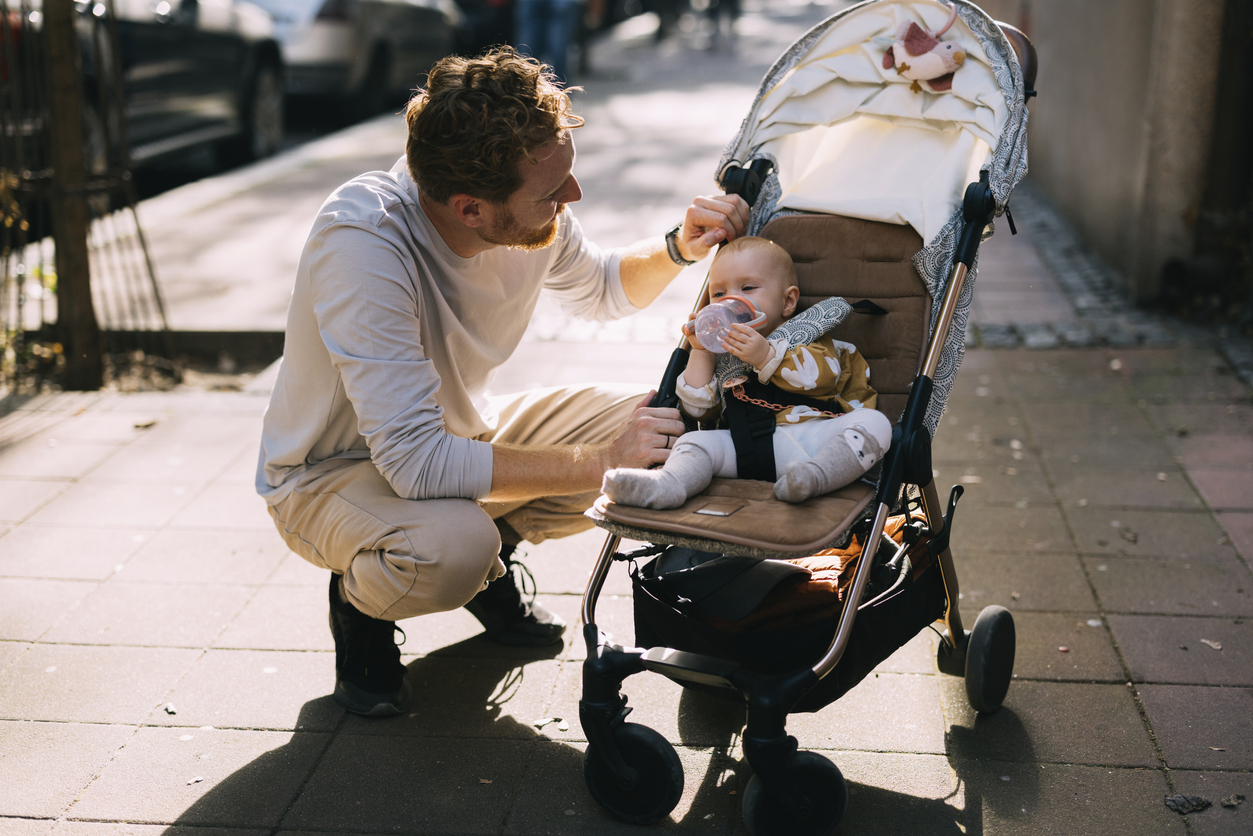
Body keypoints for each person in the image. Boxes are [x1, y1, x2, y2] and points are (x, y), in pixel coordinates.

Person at [255, 46, 749, 717]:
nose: (570, 198)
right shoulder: (364, 242)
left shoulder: (526, 211)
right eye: (551, 192)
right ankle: (362, 600)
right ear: (470, 210)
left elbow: (602, 286)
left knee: (664, 427)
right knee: (452, 548)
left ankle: (491, 557)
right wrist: (603, 461)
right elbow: (415, 463)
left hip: (453, 435)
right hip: (329, 475)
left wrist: (676, 248)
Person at [601, 236, 892, 508]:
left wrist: (766, 356)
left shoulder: (808, 338)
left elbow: (818, 378)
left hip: (812, 441)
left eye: (748, 288)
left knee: (875, 423)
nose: (731, 301)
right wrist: (701, 351)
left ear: (788, 301)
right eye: (719, 293)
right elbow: (698, 411)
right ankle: (669, 484)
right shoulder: (720, 355)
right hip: (743, 448)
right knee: (694, 441)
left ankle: (814, 478)